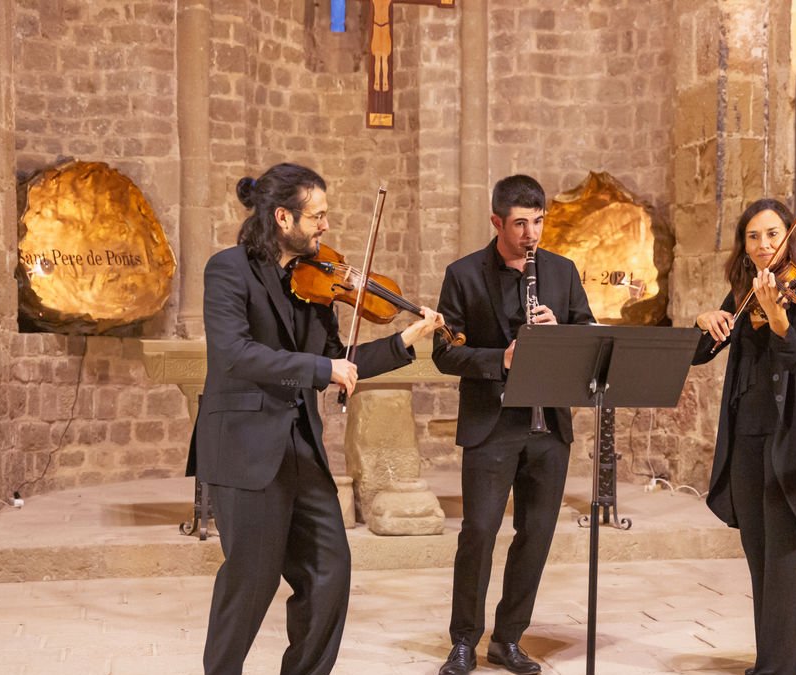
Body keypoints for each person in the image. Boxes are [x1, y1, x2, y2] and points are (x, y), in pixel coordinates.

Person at [189, 162, 445, 675]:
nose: (326, 226)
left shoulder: (317, 283)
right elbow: (235, 354)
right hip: (246, 444)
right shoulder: (227, 269)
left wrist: (403, 343)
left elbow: (339, 363)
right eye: (317, 216)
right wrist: (319, 367)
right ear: (283, 218)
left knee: (330, 569)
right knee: (252, 579)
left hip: (300, 445)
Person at [432, 175, 594, 675]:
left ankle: (508, 639)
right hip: (493, 424)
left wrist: (561, 333)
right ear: (497, 222)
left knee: (537, 533)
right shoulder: (463, 274)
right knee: (479, 532)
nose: (531, 234)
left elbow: (589, 332)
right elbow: (444, 352)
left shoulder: (562, 272)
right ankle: (464, 641)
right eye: (520, 224)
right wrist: (500, 359)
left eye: (538, 222)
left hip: (549, 426)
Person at [691, 198, 796, 675]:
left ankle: (778, 667)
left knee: (783, 551)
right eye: (753, 236)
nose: (763, 245)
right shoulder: (740, 293)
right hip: (746, 433)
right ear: (744, 244)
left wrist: (777, 318)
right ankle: (784, 650)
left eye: (772, 234)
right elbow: (701, 353)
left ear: (788, 238)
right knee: (759, 549)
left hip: (789, 432)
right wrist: (705, 322)